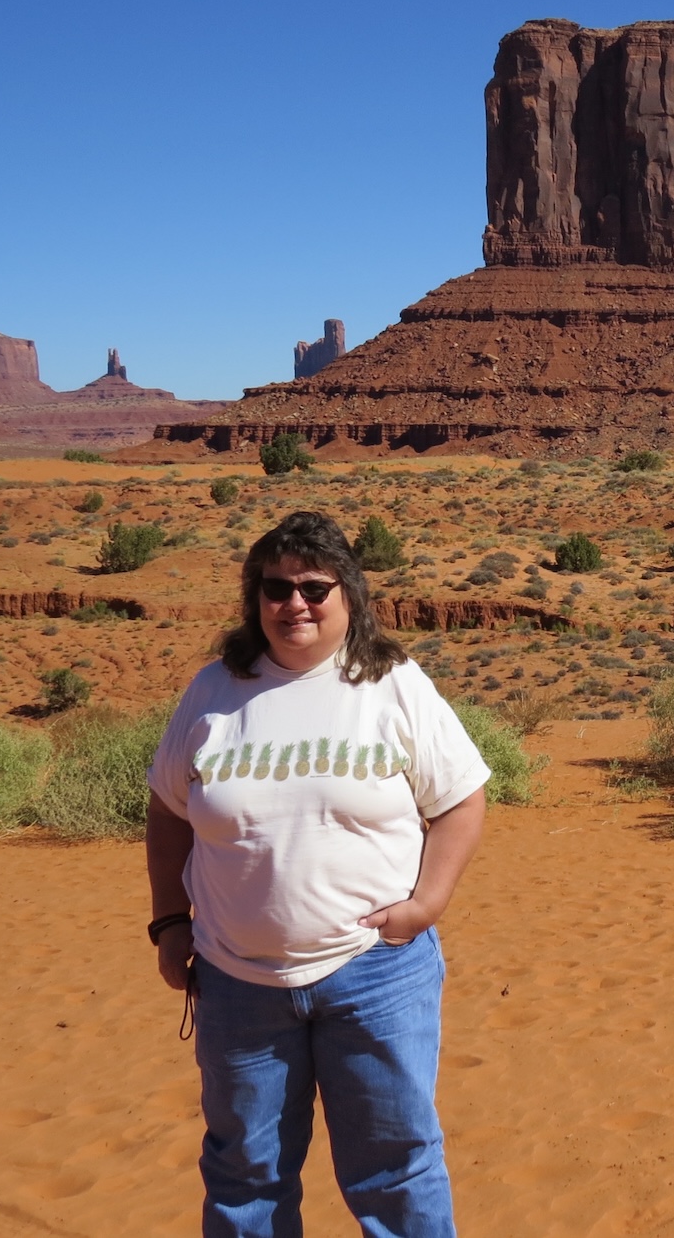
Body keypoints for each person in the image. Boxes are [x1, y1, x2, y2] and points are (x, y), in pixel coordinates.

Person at [145, 510, 487, 1237]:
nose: (292, 603)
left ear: (349, 596)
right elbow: (169, 809)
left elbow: (460, 798)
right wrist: (171, 922)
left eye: (312, 586)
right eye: (274, 588)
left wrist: (427, 905)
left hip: (374, 976)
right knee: (245, 1171)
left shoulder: (390, 683)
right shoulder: (215, 690)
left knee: (397, 1165)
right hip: (239, 984)